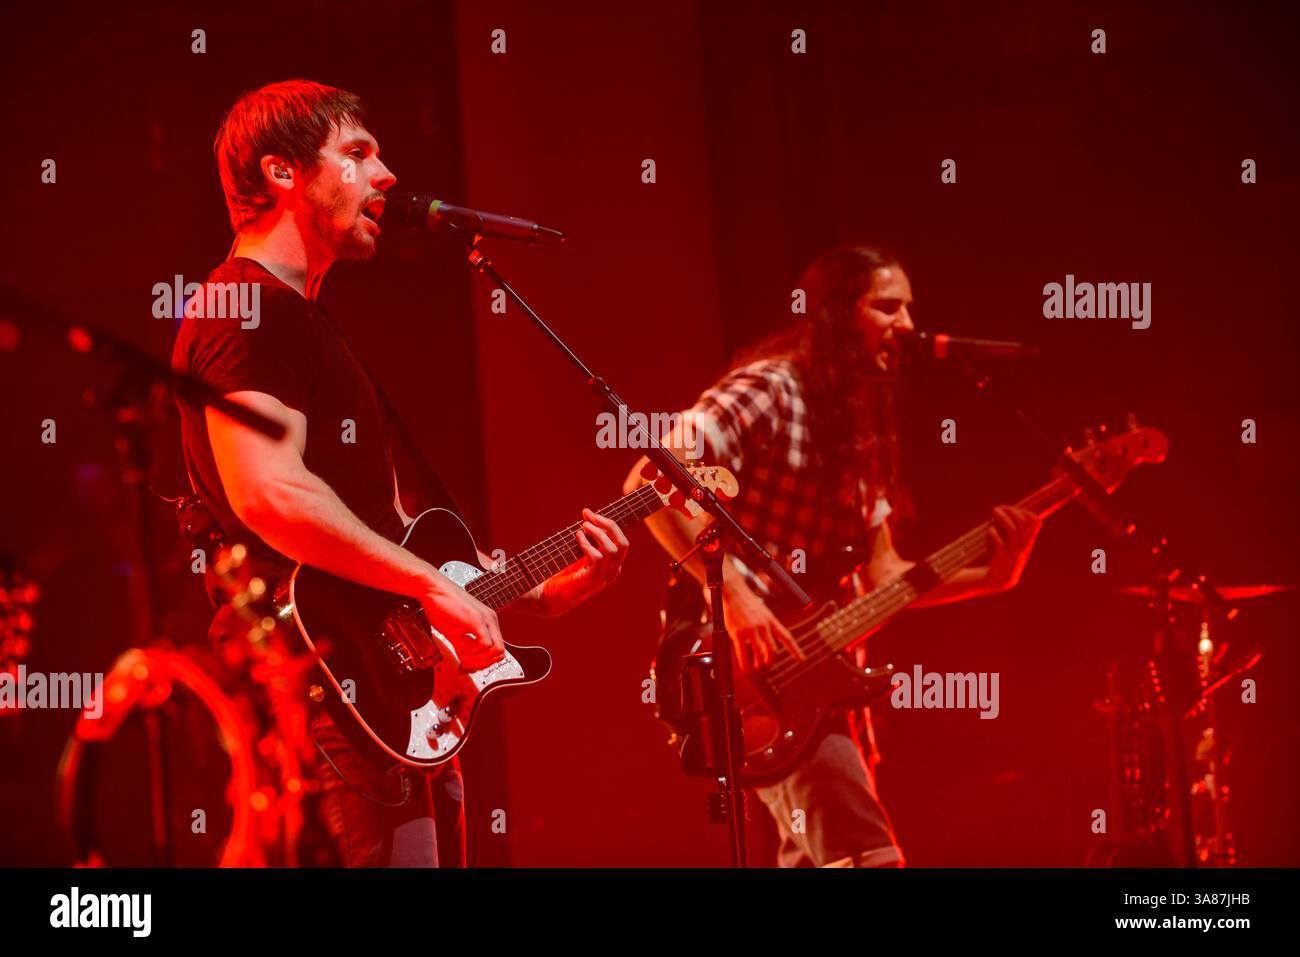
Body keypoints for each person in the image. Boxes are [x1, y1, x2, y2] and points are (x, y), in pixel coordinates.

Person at [173, 79, 629, 867]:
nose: (385, 175)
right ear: (282, 173)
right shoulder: (246, 308)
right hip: (323, 695)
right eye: (356, 153)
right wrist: (433, 586)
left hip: (388, 705)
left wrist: (536, 591)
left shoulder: (302, 320)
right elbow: (269, 490)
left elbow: (387, 539)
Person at [624, 244, 1041, 867]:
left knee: (821, 860)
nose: (906, 326)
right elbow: (648, 483)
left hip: (815, 679)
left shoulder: (865, 426)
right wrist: (736, 599)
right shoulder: (770, 389)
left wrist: (994, 577)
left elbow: (886, 579)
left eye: (909, 310)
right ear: (838, 316)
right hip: (728, 660)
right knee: (867, 859)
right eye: (888, 307)